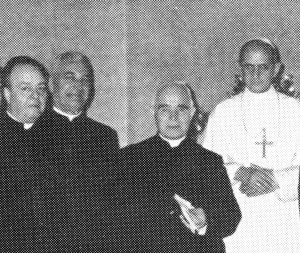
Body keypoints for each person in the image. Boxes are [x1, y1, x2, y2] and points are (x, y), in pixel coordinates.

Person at [116, 82, 241, 252]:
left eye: (181, 109)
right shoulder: (127, 158)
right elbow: (112, 220)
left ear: (192, 113)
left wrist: (206, 220)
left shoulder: (210, 161)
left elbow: (231, 215)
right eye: (165, 109)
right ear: (153, 112)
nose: (173, 117)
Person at [203, 38, 300, 252]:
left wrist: (277, 179)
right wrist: (241, 173)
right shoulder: (223, 112)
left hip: (283, 220)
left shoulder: (295, 111)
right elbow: (206, 166)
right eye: (249, 67)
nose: (255, 75)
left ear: (276, 69)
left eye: (263, 67)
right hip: (239, 218)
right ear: (241, 68)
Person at [39, 51, 119, 251]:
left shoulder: (105, 136)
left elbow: (113, 200)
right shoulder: (32, 130)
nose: (78, 86)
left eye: (85, 80)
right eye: (69, 77)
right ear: (51, 85)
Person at [0, 56, 49, 252]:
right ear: (7, 94)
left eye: (41, 89)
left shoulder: (60, 139)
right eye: (25, 88)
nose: (35, 96)